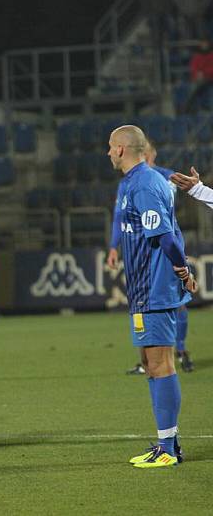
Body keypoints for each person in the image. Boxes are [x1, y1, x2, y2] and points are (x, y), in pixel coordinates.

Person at [108, 125, 195, 468]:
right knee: (150, 363)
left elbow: (166, 236)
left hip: (154, 286)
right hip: (144, 287)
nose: (107, 153)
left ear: (121, 150)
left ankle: (168, 449)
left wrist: (183, 270)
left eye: (110, 147)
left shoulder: (144, 183)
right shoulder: (132, 183)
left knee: (160, 363)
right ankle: (167, 442)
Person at [108, 139, 193, 374]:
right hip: (144, 253)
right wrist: (113, 246)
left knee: (175, 303)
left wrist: (181, 263)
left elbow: (166, 222)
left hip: (163, 249)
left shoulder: (162, 178)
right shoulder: (128, 183)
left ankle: (182, 350)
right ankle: (152, 357)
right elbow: (119, 217)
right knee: (151, 318)